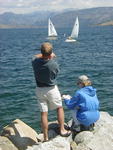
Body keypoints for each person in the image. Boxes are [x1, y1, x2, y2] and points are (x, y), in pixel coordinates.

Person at [32, 42, 71, 141]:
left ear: (41, 52)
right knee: (59, 108)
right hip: (51, 89)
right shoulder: (53, 64)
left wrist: (46, 55)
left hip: (39, 89)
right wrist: (51, 57)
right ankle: (62, 130)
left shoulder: (35, 62)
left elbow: (35, 56)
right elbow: (56, 72)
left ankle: (45, 137)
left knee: (44, 113)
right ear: (51, 53)